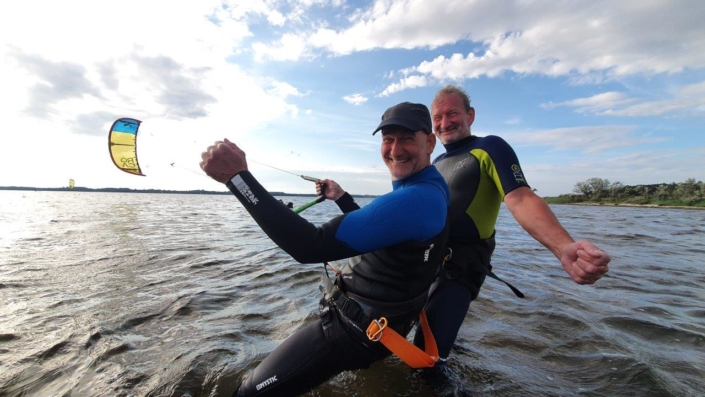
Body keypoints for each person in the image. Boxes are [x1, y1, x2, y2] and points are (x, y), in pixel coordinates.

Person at [200, 102, 450, 396]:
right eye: (388, 139)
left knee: (248, 393)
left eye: (407, 138)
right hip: (379, 328)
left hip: (351, 334)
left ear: (430, 142)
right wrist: (342, 197)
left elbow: (310, 246)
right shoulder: (428, 188)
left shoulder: (418, 199)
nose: (395, 149)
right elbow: (381, 233)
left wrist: (237, 177)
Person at [413, 85, 612, 365]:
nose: (445, 122)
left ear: (470, 115)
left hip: (462, 267)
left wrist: (563, 246)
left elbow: (520, 198)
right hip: (430, 262)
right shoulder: (437, 162)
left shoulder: (490, 147)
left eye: (453, 113)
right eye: (438, 117)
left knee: (426, 357)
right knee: (414, 342)